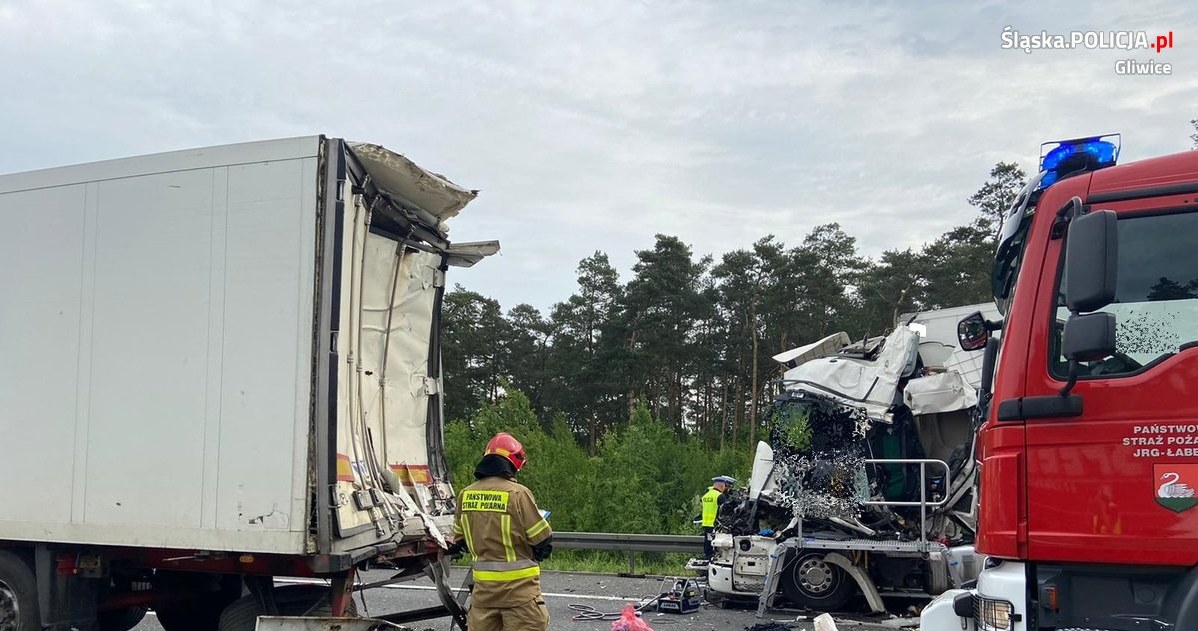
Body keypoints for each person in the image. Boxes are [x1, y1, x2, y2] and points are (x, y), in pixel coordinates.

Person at [449, 432, 554, 631]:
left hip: (484, 597)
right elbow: (542, 538)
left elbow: (458, 537)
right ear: (513, 464)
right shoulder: (518, 494)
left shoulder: (466, 494)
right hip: (520, 596)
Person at [700, 475, 735, 558]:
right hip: (715, 524)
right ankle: (712, 559)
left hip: (706, 523)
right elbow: (727, 508)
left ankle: (707, 558)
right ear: (721, 485)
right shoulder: (719, 496)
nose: (726, 488)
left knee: (708, 544)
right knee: (715, 546)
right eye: (725, 486)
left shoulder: (706, 496)